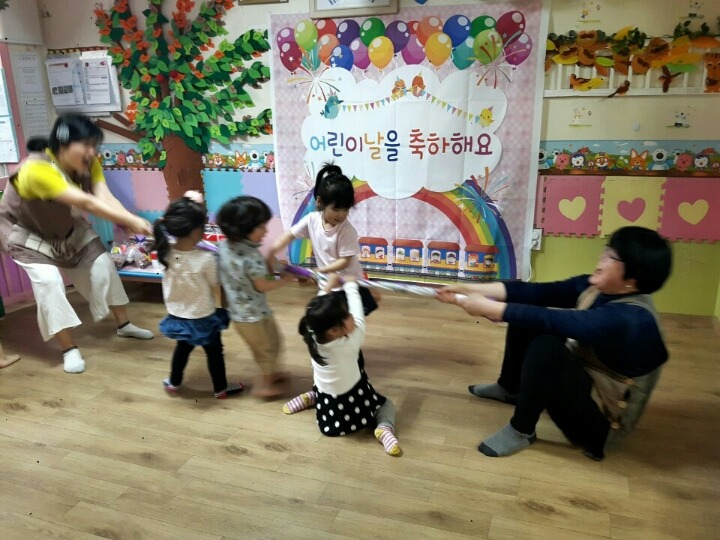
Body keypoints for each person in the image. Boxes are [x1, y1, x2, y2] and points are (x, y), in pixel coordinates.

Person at [437, 226, 672, 460]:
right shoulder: (600, 288)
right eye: (606, 249)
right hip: (589, 379)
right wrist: (468, 287)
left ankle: (521, 430)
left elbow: (553, 320)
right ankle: (510, 389)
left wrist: (490, 308)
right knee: (528, 314)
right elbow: (537, 293)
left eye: (611, 256)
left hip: (602, 427)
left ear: (632, 279)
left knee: (546, 348)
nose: (602, 257)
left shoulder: (632, 320)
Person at [0, 114, 154, 374]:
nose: (92, 152)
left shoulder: (88, 162)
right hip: (27, 234)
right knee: (49, 282)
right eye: (86, 145)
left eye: (94, 145)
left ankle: (124, 325)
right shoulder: (35, 169)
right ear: (63, 144)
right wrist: (131, 220)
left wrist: (127, 218)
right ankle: (69, 349)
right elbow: (86, 202)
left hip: (66, 227)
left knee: (103, 265)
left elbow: (104, 196)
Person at [292, 273, 401, 456]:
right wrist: (351, 286)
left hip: (328, 407)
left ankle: (314, 397)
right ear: (334, 330)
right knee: (386, 405)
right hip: (352, 405)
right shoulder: (349, 342)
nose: (351, 316)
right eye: (347, 315)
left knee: (325, 381)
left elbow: (314, 309)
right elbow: (359, 316)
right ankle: (384, 428)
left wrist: (328, 286)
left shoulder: (312, 333)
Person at [154, 192, 244, 399]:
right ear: (197, 231)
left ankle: (174, 382)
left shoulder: (164, 252)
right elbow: (216, 283)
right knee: (214, 352)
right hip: (203, 317)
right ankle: (220, 388)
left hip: (178, 316)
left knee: (182, 348)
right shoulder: (205, 258)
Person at [267, 163, 379, 316]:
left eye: (346, 209)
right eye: (336, 209)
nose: (341, 215)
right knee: (331, 321)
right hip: (328, 282)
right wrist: (272, 251)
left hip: (349, 285)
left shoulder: (346, 230)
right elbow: (288, 236)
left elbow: (344, 261)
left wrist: (319, 271)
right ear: (319, 202)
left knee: (346, 322)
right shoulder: (311, 220)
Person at [216, 196, 295, 398]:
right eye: (261, 227)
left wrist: (271, 266)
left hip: (241, 314)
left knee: (270, 344)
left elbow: (251, 277)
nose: (266, 231)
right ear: (244, 229)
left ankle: (273, 373)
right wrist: (285, 280)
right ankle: (265, 386)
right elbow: (262, 285)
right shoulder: (252, 257)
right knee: (267, 349)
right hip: (254, 316)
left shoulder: (224, 247)